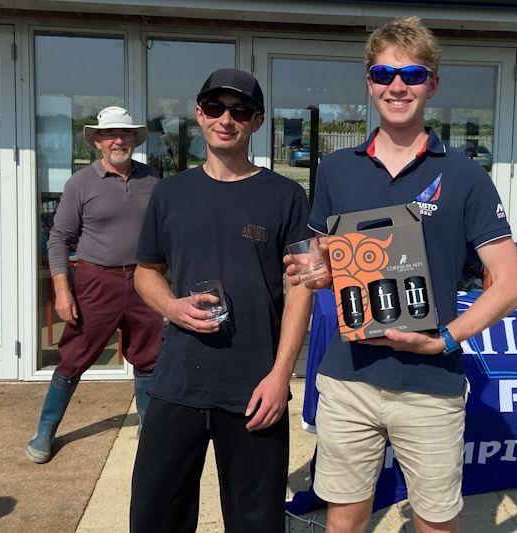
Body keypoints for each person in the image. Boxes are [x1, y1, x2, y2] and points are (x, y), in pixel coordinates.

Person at [286, 17, 517, 533]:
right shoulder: (336, 169)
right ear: (369, 82)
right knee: (343, 518)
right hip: (348, 377)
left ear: (432, 84)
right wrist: (317, 270)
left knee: (436, 522)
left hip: (429, 384)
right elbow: (323, 257)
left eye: (412, 74)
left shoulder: (464, 175)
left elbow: (510, 284)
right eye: (384, 73)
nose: (398, 85)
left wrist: (443, 341)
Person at [129, 68, 314, 532]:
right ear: (199, 115)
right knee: (155, 515)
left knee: (256, 522)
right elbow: (145, 272)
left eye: (240, 110)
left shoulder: (285, 196)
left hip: (255, 387)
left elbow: (300, 289)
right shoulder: (170, 194)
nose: (225, 119)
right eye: (215, 108)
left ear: (257, 121)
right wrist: (171, 307)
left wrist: (280, 375)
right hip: (177, 381)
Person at [26, 107, 163, 464]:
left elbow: (168, 233)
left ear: (134, 139)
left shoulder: (153, 181)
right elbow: (59, 239)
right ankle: (45, 432)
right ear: (98, 141)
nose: (119, 140)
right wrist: (61, 289)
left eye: (126, 134)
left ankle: (150, 433)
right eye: (111, 135)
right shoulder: (80, 183)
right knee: (73, 359)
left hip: (145, 281)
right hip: (95, 281)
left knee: (149, 359)